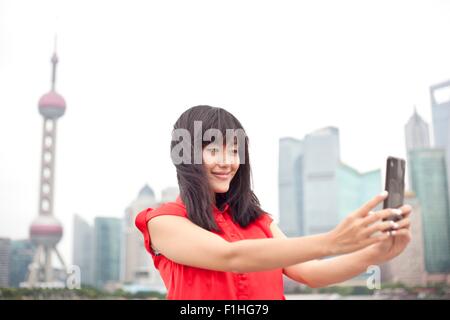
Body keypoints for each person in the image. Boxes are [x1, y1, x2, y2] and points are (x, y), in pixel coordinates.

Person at [135, 105, 412, 300]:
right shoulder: (164, 221)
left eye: (234, 151)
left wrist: (377, 253)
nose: (227, 162)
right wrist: (333, 241)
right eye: (214, 150)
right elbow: (231, 257)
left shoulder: (257, 220)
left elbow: (311, 273)